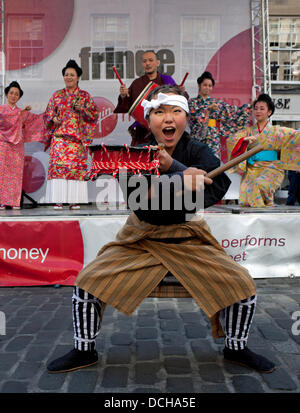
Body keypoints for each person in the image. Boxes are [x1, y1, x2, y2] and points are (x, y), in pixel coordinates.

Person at [47, 85, 276, 375]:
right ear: (149, 120)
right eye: (160, 112)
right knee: (86, 282)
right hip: (141, 238)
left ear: (185, 117)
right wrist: (182, 178)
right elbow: (141, 203)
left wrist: (174, 166)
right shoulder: (134, 154)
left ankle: (237, 347)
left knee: (242, 285)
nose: (168, 119)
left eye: (175, 112)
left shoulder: (197, 150)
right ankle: (83, 350)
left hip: (188, 238)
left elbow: (216, 187)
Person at [44, 59, 99, 210]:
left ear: (78, 77)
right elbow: (47, 115)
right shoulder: (57, 95)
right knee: (59, 169)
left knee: (75, 170)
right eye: (66, 74)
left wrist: (83, 109)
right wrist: (53, 119)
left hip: (77, 140)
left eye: (72, 75)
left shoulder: (84, 96)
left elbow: (93, 115)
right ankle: (58, 200)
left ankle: (74, 200)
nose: (69, 77)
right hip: (60, 139)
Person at [227, 94, 288, 208]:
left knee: (258, 186)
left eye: (262, 108)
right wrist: (244, 140)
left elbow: (291, 143)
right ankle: (268, 203)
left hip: (271, 168)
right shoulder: (249, 131)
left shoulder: (277, 131)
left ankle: (268, 200)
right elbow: (231, 141)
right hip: (252, 169)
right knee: (246, 199)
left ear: (269, 112)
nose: (258, 111)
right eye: (256, 108)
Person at [114, 50, 186, 146]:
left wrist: (181, 91)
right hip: (142, 132)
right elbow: (126, 107)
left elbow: (180, 101)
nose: (147, 63)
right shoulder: (137, 84)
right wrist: (123, 96)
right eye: (144, 61)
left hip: (164, 129)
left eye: (151, 60)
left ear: (158, 62)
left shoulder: (167, 80)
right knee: (141, 158)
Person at [0, 81, 45, 210]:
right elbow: (6, 118)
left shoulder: (22, 112)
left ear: (19, 97)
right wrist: (20, 112)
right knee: (2, 173)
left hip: (17, 146)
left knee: (16, 173)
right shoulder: (2, 110)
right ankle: (2, 201)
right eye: (11, 93)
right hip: (3, 145)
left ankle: (14, 201)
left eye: (16, 94)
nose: (13, 96)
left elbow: (35, 121)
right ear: (7, 94)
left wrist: (48, 118)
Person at [188, 71, 252, 158]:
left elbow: (231, 112)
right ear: (199, 86)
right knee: (197, 162)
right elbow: (194, 117)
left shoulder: (216, 103)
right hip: (197, 137)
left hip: (213, 137)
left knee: (213, 163)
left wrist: (249, 106)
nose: (207, 88)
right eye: (205, 85)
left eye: (210, 86)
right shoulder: (192, 103)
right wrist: (208, 110)